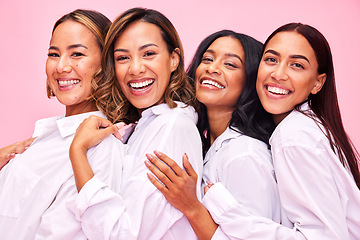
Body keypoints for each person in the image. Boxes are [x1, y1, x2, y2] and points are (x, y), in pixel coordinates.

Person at [150, 23, 360, 239]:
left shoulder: (261, 148)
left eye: (296, 65)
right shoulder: (211, 143)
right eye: (271, 60)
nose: (279, 73)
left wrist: (208, 209)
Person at [68, 7, 203, 239]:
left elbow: (122, 235)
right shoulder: (145, 125)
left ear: (174, 60)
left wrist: (78, 153)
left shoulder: (172, 126)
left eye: (148, 53)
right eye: (122, 58)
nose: (136, 68)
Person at [145, 30, 284, 239]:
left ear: (251, 81)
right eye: (207, 59)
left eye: (230, 64)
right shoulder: (207, 143)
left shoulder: (244, 155)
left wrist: (191, 207)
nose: (212, 68)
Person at [0, 9, 126, 240]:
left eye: (77, 54)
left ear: (106, 64)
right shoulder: (46, 137)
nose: (61, 67)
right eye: (53, 54)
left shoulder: (101, 146)